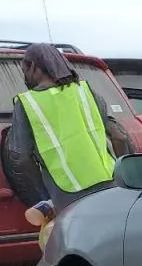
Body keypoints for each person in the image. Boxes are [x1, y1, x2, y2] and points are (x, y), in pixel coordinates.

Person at [6, 43, 123, 220]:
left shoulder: (27, 103)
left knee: (73, 243)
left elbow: (20, 158)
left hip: (66, 193)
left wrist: (43, 198)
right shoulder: (86, 91)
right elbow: (119, 136)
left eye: (24, 70)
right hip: (109, 184)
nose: (25, 77)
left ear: (34, 66)